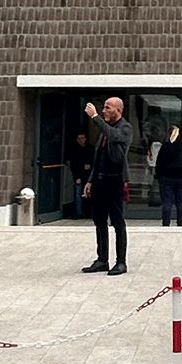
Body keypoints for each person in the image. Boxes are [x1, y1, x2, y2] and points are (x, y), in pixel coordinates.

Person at [82, 96, 133, 274]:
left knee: (118, 222)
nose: (104, 111)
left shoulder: (124, 128)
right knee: (99, 221)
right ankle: (102, 259)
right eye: (103, 108)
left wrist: (95, 117)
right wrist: (90, 181)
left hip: (115, 181)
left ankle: (121, 262)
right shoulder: (105, 130)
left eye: (107, 108)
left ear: (118, 110)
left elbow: (114, 136)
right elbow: (98, 158)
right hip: (100, 181)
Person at [153, 122, 182, 226]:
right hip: (181, 177)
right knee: (181, 202)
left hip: (166, 177)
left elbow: (159, 162)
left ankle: (166, 223)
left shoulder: (165, 147)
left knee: (167, 202)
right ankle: (180, 222)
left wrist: (158, 175)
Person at [67, 129, 93, 219]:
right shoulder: (74, 150)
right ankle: (79, 213)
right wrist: (76, 176)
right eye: (79, 138)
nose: (81, 140)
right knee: (78, 194)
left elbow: (94, 161)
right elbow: (73, 165)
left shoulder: (90, 148)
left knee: (89, 194)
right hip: (79, 175)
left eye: (83, 138)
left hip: (89, 175)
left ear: (85, 138)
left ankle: (89, 213)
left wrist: (89, 165)